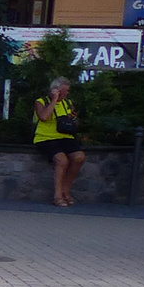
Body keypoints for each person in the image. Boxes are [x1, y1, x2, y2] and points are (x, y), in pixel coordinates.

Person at [33, 76, 84, 207]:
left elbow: (74, 121)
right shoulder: (41, 101)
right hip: (46, 137)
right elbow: (44, 116)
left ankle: (65, 190)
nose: (67, 94)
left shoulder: (67, 103)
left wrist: (73, 119)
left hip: (65, 136)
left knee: (79, 157)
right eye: (65, 91)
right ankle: (57, 195)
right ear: (56, 90)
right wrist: (54, 100)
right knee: (62, 160)